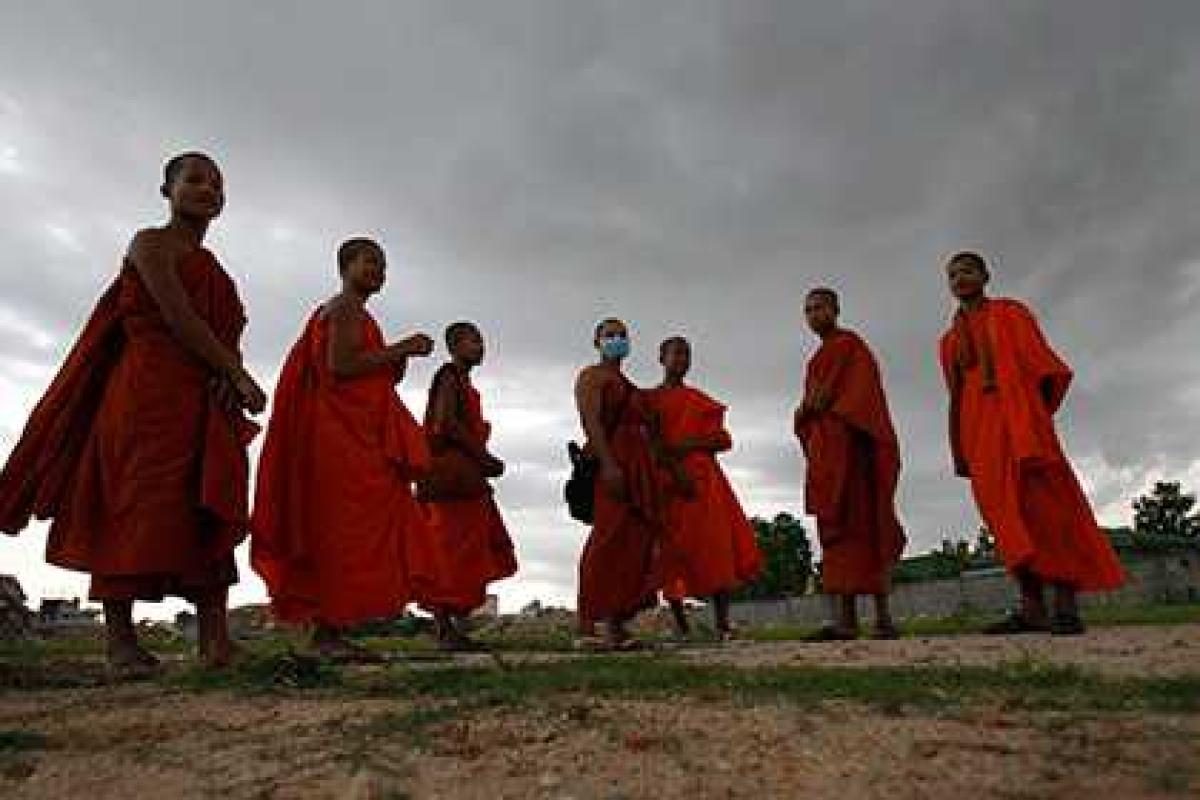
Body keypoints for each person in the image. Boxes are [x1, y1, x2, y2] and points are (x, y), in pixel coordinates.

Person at [0, 152, 266, 671]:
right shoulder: (149, 243)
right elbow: (177, 314)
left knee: (207, 500)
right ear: (166, 191)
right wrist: (236, 373)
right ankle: (120, 642)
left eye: (215, 184)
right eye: (193, 179)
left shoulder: (220, 274)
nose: (206, 189)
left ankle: (215, 638)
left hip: (203, 397)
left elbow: (221, 334)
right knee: (134, 505)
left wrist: (229, 378)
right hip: (146, 395)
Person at [250, 237, 436, 660]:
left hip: (351, 433)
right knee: (342, 528)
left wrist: (392, 357)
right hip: (339, 440)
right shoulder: (345, 308)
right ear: (346, 265)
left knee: (344, 528)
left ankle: (330, 629)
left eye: (383, 265)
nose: (378, 271)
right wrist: (403, 348)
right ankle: (327, 632)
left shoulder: (355, 312)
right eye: (369, 262)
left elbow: (369, 375)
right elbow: (341, 367)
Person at [939, 251, 1124, 635]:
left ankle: (1066, 605)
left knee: (1047, 511)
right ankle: (1032, 607)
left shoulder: (1011, 314)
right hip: (980, 433)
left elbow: (1042, 367)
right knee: (1004, 517)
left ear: (986, 275)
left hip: (1021, 427)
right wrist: (964, 444)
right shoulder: (948, 340)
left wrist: (1027, 417)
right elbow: (957, 395)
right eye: (953, 274)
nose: (960, 278)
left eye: (968, 270)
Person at [795, 288, 906, 640]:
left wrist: (823, 407)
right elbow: (810, 405)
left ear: (836, 309)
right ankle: (846, 620)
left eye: (820, 307)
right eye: (808, 310)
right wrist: (806, 414)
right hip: (828, 456)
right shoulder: (815, 360)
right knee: (835, 532)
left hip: (854, 453)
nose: (815, 315)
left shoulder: (852, 347)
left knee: (868, 527)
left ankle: (883, 618)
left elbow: (862, 398)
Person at [648, 336, 761, 640]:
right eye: (676, 354)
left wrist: (689, 444)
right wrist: (672, 463)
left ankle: (723, 623)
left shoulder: (698, 400)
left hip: (704, 485)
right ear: (661, 358)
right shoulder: (649, 400)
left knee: (716, 548)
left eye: (687, 354)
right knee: (670, 551)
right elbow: (650, 443)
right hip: (668, 485)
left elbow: (724, 440)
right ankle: (681, 624)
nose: (681, 360)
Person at [416, 321, 517, 650]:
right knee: (449, 551)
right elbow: (445, 424)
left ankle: (454, 626)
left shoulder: (465, 384)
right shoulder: (448, 376)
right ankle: (444, 627)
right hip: (451, 478)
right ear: (454, 346)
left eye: (481, 340)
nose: (480, 347)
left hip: (466, 478)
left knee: (472, 548)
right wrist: (484, 456)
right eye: (472, 341)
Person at [574, 318, 663, 650]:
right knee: (607, 539)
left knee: (635, 543)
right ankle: (589, 623)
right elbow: (591, 421)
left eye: (622, 334)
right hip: (613, 465)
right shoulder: (592, 377)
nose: (617, 339)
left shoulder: (628, 383)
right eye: (609, 334)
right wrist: (609, 464)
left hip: (639, 470)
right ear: (596, 341)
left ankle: (617, 625)